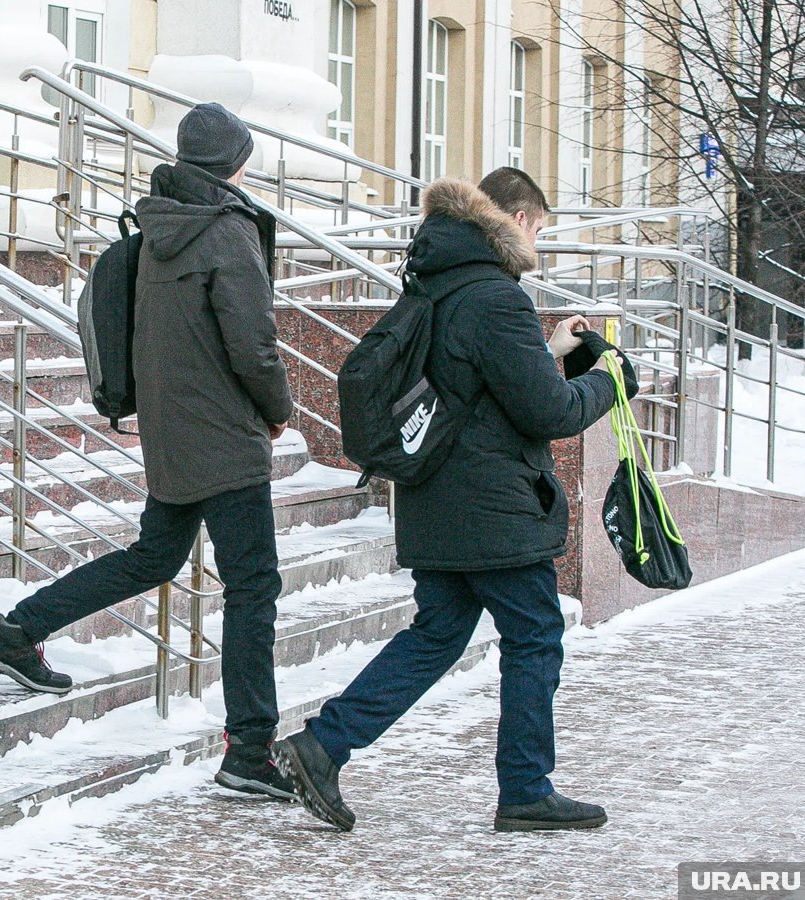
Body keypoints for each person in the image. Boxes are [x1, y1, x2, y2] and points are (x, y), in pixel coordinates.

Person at [273, 167, 636, 832]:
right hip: (494, 510)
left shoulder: (435, 282)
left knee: (438, 635)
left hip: (434, 500)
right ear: (518, 221)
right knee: (535, 634)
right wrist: (609, 381)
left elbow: (473, 380)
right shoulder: (498, 298)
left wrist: (549, 349)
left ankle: (322, 746)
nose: (537, 244)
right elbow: (549, 411)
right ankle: (525, 788)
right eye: (538, 230)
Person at [0, 103, 296, 800]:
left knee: (154, 557)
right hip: (225, 437)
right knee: (253, 587)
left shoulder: (158, 227)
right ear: (235, 163)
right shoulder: (228, 230)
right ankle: (250, 749)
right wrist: (278, 412)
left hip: (173, 429)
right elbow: (255, 346)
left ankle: (16, 631)